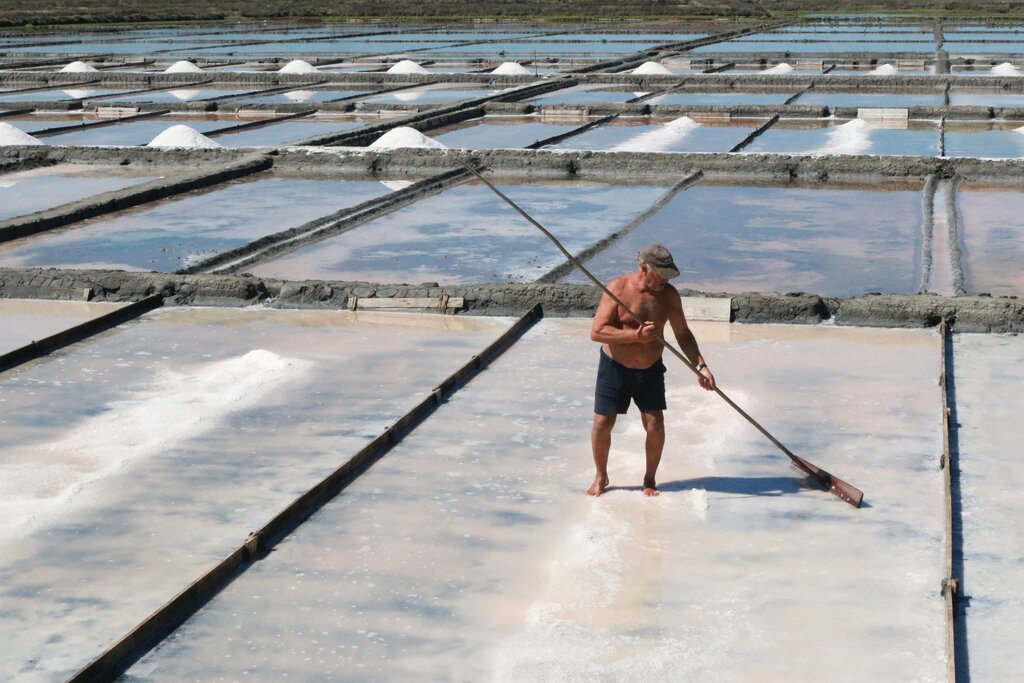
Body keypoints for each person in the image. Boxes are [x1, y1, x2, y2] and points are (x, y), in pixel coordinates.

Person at [587, 244, 716, 497]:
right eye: (661, 274)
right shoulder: (618, 289)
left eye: (669, 275)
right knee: (602, 423)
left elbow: (683, 334)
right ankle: (601, 476)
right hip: (615, 368)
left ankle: (649, 479)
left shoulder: (669, 296)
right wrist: (635, 335)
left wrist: (701, 366)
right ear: (644, 267)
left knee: (656, 424)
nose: (665, 280)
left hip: (650, 370)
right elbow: (597, 332)